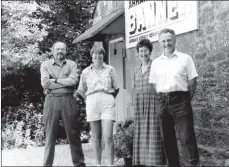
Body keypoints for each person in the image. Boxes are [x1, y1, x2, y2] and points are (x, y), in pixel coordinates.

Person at [149, 28, 199, 167]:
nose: (167, 43)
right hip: (163, 102)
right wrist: (163, 98)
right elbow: (154, 84)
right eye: (163, 41)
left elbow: (192, 82)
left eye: (169, 40)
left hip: (181, 100)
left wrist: (184, 100)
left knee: (186, 137)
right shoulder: (156, 63)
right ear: (160, 43)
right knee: (168, 139)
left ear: (175, 40)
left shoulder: (185, 58)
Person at [40, 41, 85, 167]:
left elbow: (73, 81)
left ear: (66, 51)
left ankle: (79, 164)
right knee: (49, 134)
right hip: (51, 100)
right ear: (52, 51)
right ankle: (47, 164)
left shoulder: (72, 64)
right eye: (57, 49)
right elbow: (45, 83)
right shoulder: (45, 65)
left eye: (62, 49)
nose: (60, 51)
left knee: (73, 133)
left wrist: (54, 80)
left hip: (68, 99)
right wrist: (64, 82)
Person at [76, 44, 119, 166]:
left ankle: (110, 164)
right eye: (95, 53)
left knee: (108, 137)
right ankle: (98, 164)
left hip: (107, 101)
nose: (97, 56)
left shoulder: (110, 69)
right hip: (92, 101)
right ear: (91, 56)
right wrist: (87, 99)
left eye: (100, 53)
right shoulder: (85, 72)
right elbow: (80, 90)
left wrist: (108, 98)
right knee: (95, 137)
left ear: (103, 55)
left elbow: (116, 88)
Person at [132, 39, 166, 167]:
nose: (143, 53)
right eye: (141, 51)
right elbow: (134, 89)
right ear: (138, 53)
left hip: (153, 104)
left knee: (154, 134)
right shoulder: (136, 71)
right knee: (141, 135)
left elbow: (161, 86)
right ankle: (144, 163)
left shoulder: (155, 67)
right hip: (140, 106)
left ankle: (156, 163)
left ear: (150, 51)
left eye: (145, 50)